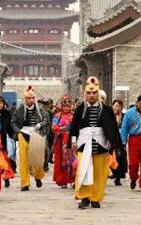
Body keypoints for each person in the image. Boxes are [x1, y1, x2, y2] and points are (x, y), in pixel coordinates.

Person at [70, 76, 121, 209]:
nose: (91, 95)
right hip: (84, 143)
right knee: (84, 170)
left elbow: (113, 128)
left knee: (99, 173)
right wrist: (73, 140)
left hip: (100, 144)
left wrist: (113, 143)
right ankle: (84, 197)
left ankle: (96, 198)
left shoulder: (107, 110)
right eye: (89, 93)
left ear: (98, 93)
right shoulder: (80, 109)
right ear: (85, 94)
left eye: (94, 93)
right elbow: (74, 126)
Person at [11, 85, 50, 191]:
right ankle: (25, 183)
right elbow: (13, 122)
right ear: (25, 99)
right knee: (23, 160)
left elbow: (46, 120)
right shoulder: (20, 109)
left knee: (37, 159)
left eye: (32, 98)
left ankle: (37, 176)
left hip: (35, 135)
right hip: (23, 134)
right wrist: (18, 132)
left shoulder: (40, 110)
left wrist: (40, 124)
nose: (31, 100)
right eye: (29, 98)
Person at [51, 95, 76, 187]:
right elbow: (53, 127)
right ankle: (63, 180)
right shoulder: (57, 115)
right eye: (64, 106)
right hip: (60, 140)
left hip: (72, 140)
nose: (66, 108)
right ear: (61, 106)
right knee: (62, 160)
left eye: (68, 106)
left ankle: (73, 180)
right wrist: (62, 128)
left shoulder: (74, 115)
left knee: (72, 159)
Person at [0, 95, 15, 188]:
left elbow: (9, 126)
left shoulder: (6, 113)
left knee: (5, 159)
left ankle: (7, 177)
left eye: (1, 103)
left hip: (3, 139)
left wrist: (12, 135)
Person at [109, 99, 128, 185]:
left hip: (121, 140)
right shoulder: (109, 116)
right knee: (111, 157)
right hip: (112, 140)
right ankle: (110, 174)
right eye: (115, 106)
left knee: (120, 158)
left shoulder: (124, 116)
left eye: (119, 106)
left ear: (121, 108)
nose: (117, 108)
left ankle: (118, 178)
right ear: (112, 106)